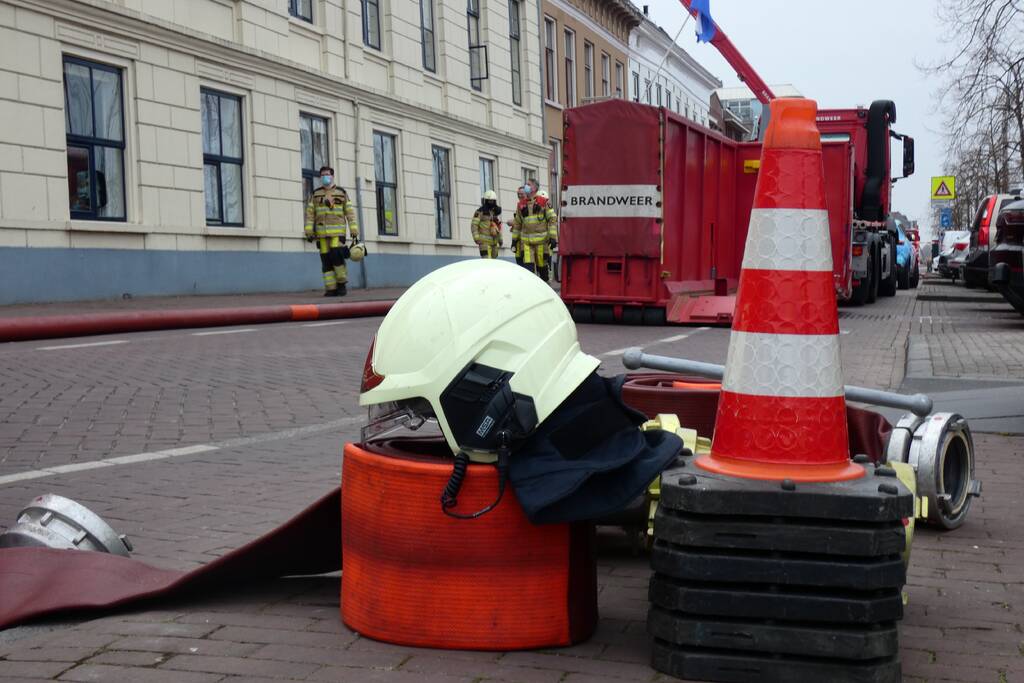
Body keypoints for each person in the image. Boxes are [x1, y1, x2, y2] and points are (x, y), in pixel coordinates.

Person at [358, 259, 681, 524]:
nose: (437, 428)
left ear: (493, 399)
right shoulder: (588, 438)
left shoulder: (565, 480)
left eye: (429, 412)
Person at [304, 165, 359, 296]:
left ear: (332, 176)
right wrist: (309, 231)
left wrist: (353, 229)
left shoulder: (341, 193)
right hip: (322, 234)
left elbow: (349, 212)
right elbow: (310, 214)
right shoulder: (316, 194)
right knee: (326, 260)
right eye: (322, 175)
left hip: (337, 233)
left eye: (327, 174)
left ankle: (341, 284)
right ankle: (331, 288)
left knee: (337, 257)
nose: (325, 177)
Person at [512, 189, 559, 281]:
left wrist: (553, 238)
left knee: (543, 269)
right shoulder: (522, 206)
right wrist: (514, 240)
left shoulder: (545, 204)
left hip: (542, 243)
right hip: (527, 243)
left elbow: (552, 220)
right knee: (528, 270)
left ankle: (545, 286)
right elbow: (517, 224)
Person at [471, 190, 503, 258]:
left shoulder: (494, 212)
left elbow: (497, 227)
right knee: (487, 263)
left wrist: (500, 239)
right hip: (484, 243)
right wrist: (476, 238)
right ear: (486, 200)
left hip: (494, 243)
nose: (491, 202)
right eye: (489, 200)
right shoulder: (480, 212)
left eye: (492, 201)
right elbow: (474, 225)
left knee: (494, 264)